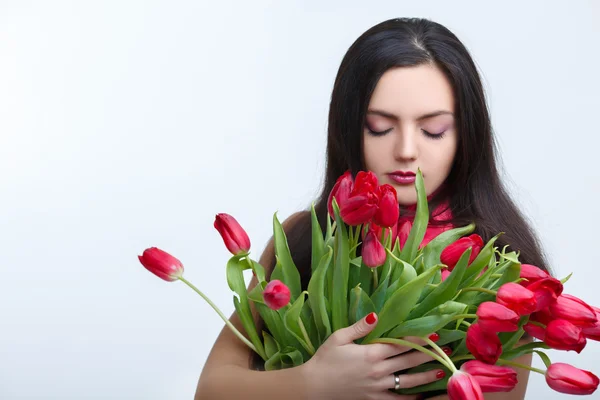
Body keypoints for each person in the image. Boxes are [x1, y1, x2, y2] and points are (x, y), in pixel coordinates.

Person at [194, 17, 550, 400]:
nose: (406, 150)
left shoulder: (496, 263)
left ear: (466, 135)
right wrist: (314, 384)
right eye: (380, 127)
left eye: (434, 130)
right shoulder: (303, 236)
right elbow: (211, 390)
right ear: (348, 128)